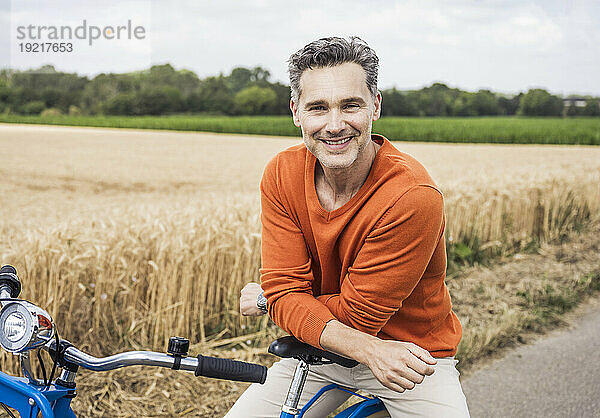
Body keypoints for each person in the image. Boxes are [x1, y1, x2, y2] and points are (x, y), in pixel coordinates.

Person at [227, 36, 469, 417]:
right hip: (320, 351)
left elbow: (356, 316)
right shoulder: (282, 173)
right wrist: (284, 296)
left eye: (350, 105)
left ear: (375, 106)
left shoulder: (411, 195)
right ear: (296, 112)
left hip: (409, 357)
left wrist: (272, 300)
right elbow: (287, 287)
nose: (335, 125)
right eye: (318, 108)